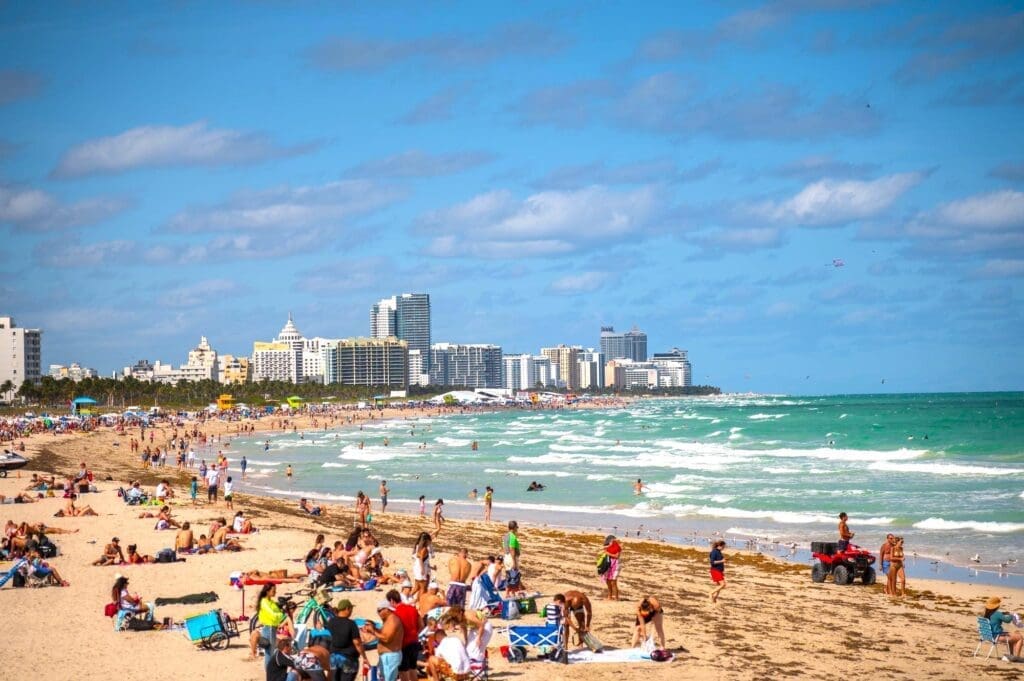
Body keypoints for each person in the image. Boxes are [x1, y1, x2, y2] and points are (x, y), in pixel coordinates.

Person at [325, 599, 369, 681]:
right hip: (348, 658)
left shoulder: (331, 622)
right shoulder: (351, 624)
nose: (351, 611)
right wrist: (364, 657)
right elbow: (357, 643)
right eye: (351, 609)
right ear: (347, 609)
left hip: (334, 657)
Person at [362, 601, 403, 681]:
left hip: (390, 656)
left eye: (380, 610)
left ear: (387, 609)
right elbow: (382, 634)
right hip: (387, 656)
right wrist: (372, 629)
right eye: (377, 611)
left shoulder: (392, 620)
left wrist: (373, 631)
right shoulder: (388, 620)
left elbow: (386, 638)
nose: (378, 613)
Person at [387, 588, 421, 681]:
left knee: (403, 672)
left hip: (403, 645)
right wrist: (415, 633)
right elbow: (421, 625)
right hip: (415, 642)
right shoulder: (412, 609)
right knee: (413, 669)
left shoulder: (395, 614)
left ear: (392, 600)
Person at [251, 583, 286, 664]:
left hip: (273, 628)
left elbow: (278, 614)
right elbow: (273, 616)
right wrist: (282, 614)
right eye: (273, 591)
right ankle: (269, 673)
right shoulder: (264, 602)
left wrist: (281, 613)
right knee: (269, 652)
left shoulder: (271, 602)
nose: (275, 592)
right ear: (267, 591)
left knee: (270, 651)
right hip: (269, 628)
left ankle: (269, 673)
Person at [601, 534, 622, 600]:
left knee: (613, 582)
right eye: (611, 541)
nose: (611, 543)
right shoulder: (608, 547)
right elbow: (603, 549)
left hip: (615, 565)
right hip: (609, 564)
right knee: (608, 580)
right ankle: (609, 596)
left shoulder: (617, 547)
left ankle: (616, 598)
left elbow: (617, 556)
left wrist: (607, 553)